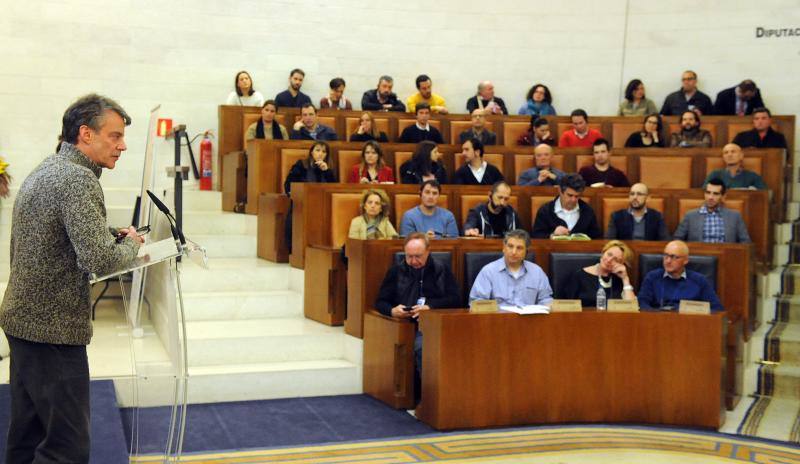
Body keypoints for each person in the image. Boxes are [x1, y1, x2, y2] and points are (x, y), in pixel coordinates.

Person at [0, 94, 144, 463]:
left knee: (27, 437)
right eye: (114, 136)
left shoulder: (47, 169)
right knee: (66, 448)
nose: (122, 145)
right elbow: (98, 258)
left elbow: (56, 234)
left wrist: (112, 233)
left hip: (25, 323)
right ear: (86, 134)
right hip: (53, 331)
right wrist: (133, 249)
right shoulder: (78, 180)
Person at [374, 232, 461, 402]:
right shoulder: (396, 271)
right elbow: (380, 302)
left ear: (428, 251)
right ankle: (427, 401)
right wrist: (392, 310)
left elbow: (456, 299)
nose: (414, 261)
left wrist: (430, 307)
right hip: (404, 326)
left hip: (435, 324)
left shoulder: (441, 270)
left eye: (418, 256)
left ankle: (443, 399)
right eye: (409, 256)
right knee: (423, 347)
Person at [468, 229, 553, 306]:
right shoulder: (488, 271)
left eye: (519, 248)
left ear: (526, 252)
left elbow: (545, 299)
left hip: (528, 321)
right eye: (510, 246)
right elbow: (476, 302)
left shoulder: (537, 272)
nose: (514, 252)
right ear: (504, 248)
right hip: (498, 321)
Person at [637, 240, 723, 311]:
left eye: (674, 257)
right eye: (666, 256)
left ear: (685, 260)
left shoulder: (699, 280)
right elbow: (642, 303)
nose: (668, 261)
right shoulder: (652, 277)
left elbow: (716, 308)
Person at [284, 142, 337, 249]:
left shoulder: (328, 169)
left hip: (322, 205)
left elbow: (334, 188)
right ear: (311, 152)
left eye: (324, 151)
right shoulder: (301, 165)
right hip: (303, 202)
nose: (320, 154)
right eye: (317, 150)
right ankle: (294, 248)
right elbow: (289, 184)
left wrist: (327, 172)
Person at [673, 178, 751, 243]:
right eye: (708, 193)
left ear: (723, 197)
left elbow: (746, 243)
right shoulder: (690, 216)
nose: (710, 197)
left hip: (726, 257)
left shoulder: (735, 216)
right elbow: (677, 240)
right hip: (699, 258)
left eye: (715, 194)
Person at [563, 240, 637, 307]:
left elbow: (631, 308)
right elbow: (567, 307)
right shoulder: (579, 276)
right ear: (603, 252)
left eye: (616, 260)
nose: (609, 260)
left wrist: (625, 279)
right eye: (609, 254)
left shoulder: (619, 280)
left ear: (621, 264)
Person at [532, 174, 601, 238]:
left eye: (577, 196)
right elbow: (536, 236)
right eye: (570, 195)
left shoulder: (587, 211)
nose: (573, 200)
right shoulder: (545, 210)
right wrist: (552, 235)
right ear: (560, 191)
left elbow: (596, 237)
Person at [606, 183, 670, 241]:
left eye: (639, 194)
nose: (635, 197)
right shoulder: (617, 216)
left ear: (648, 198)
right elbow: (609, 241)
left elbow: (665, 240)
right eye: (632, 194)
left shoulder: (657, 217)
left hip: (648, 252)